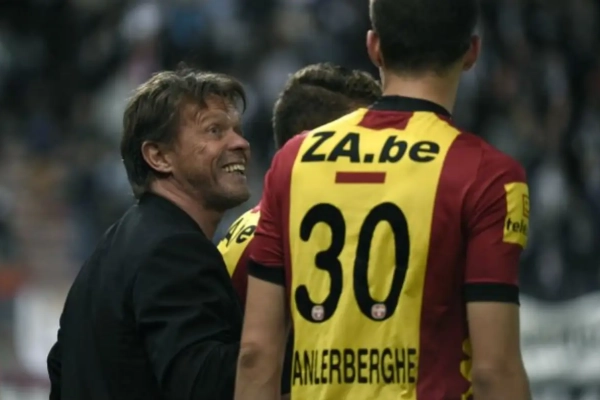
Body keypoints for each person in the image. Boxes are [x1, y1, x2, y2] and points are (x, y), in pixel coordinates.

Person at [234, 0, 532, 399]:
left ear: (374, 47)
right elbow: (495, 370)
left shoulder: (295, 159)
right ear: (471, 52)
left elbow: (256, 354)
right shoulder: (487, 175)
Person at [47, 69, 251, 400]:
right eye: (214, 131)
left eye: (237, 130)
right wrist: (283, 340)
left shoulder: (110, 250)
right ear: (158, 156)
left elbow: (61, 371)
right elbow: (204, 384)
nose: (240, 143)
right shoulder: (175, 249)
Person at [218, 63, 380, 398]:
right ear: (310, 144)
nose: (386, 156)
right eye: (367, 142)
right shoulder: (258, 245)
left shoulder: (350, 230)